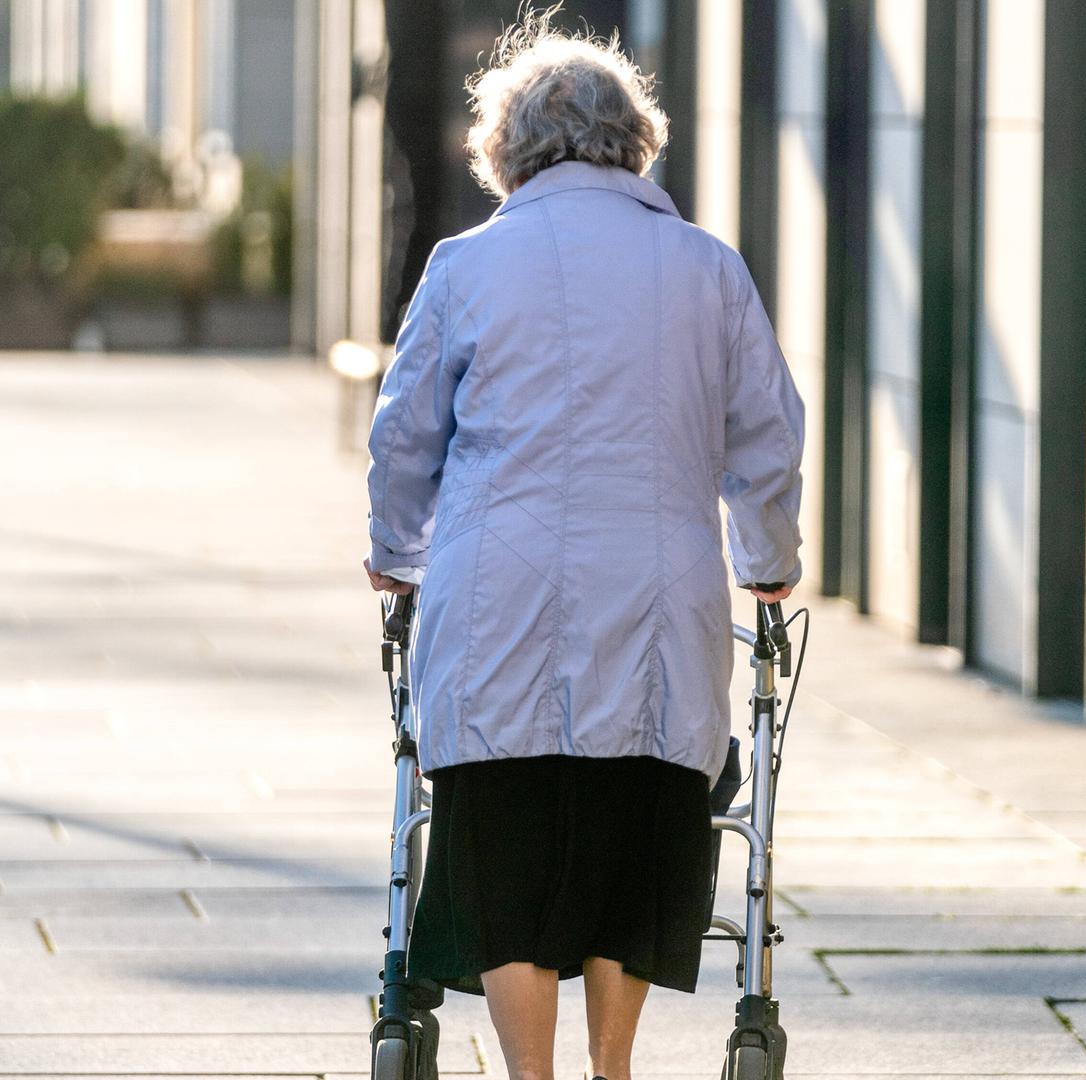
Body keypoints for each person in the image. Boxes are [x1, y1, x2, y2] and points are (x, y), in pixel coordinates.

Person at [361, 15, 804, 1080]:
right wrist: (768, 555)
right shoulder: (707, 268)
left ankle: (532, 1077)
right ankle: (614, 1067)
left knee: (504, 842)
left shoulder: (466, 267)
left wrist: (395, 548)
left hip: (496, 603)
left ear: (504, 150)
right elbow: (767, 433)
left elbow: (404, 433)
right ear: (637, 142)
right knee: (632, 831)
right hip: (657, 600)